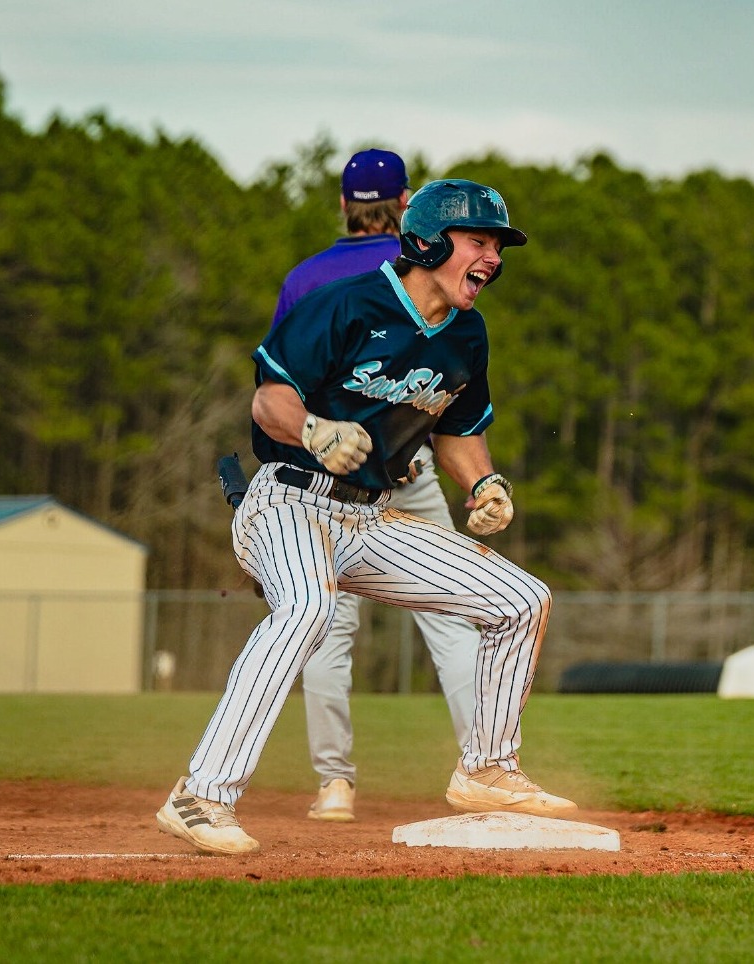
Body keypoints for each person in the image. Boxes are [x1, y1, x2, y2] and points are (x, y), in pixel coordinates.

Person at [156, 178, 575, 855]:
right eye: (478, 241)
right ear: (429, 241)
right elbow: (269, 402)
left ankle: (487, 768)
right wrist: (314, 430)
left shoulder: (466, 335)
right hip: (288, 499)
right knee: (306, 610)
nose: (493, 258)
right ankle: (201, 794)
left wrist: (483, 481)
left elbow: (457, 428)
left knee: (520, 599)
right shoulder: (348, 304)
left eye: (497, 245)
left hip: (371, 521)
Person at [273, 149, 481, 824]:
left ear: (341, 205)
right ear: (409, 204)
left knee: (325, 626)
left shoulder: (305, 279)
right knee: (452, 615)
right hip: (410, 468)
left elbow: (282, 387)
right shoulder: (426, 265)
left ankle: (335, 785)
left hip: (324, 475)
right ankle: (482, 766)